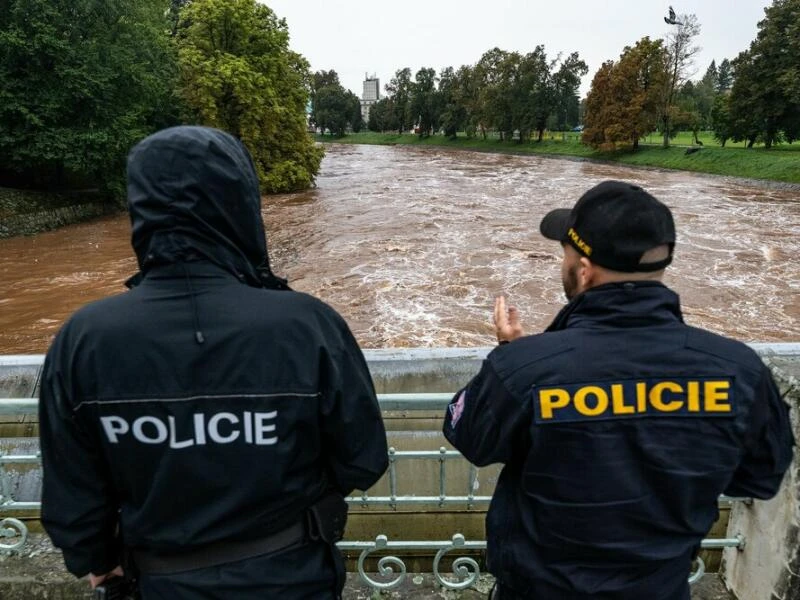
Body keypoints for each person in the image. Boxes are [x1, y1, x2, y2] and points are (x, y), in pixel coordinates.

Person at [38, 126, 389, 599]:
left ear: (140, 209)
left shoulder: (84, 338)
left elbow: (71, 491)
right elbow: (363, 460)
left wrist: (96, 560)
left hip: (156, 581)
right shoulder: (307, 325)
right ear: (241, 203)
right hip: (291, 577)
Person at [443, 180, 795, 600]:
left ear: (584, 268)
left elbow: (468, 435)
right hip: (659, 589)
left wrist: (511, 356)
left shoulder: (526, 368)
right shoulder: (739, 371)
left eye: (566, 253)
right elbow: (759, 476)